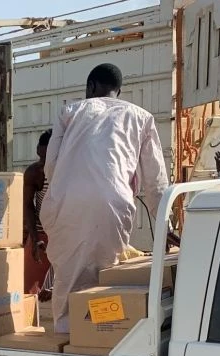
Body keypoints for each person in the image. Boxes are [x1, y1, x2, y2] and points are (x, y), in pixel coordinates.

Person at [42, 63, 169, 334]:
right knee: (105, 276)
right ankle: (100, 337)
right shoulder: (142, 117)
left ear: (90, 88)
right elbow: (155, 179)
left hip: (67, 202)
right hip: (114, 202)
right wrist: (164, 223)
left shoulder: (70, 111)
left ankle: (67, 339)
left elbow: (51, 165)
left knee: (68, 278)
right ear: (119, 91)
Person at [23, 130, 52, 297]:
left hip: (64, 235)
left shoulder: (69, 171)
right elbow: (28, 205)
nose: (44, 162)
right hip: (41, 235)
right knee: (31, 291)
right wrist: (35, 239)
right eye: (41, 156)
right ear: (38, 151)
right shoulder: (34, 172)